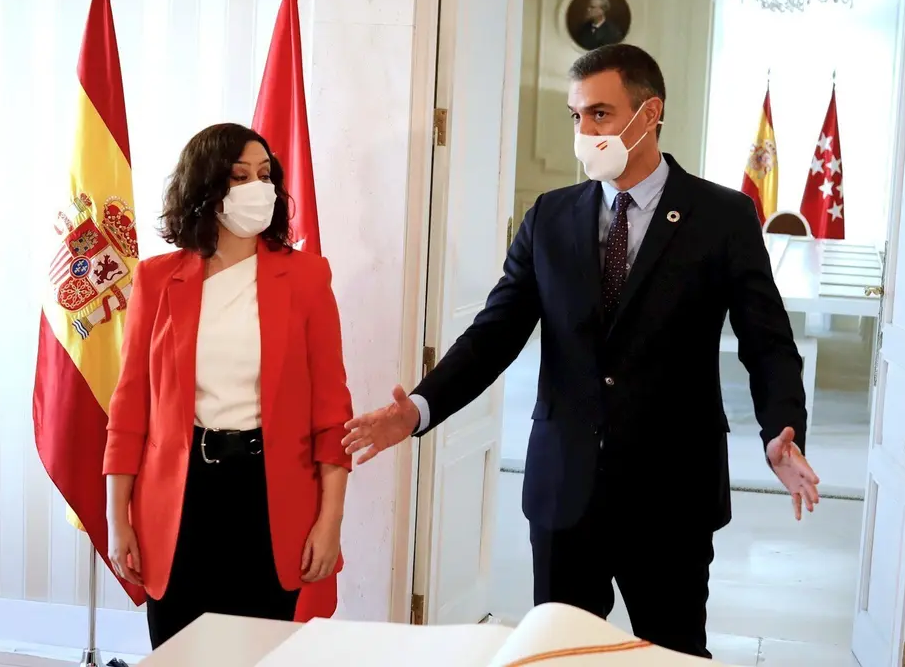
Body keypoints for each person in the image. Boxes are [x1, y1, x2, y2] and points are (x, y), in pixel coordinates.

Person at [342, 44, 820, 658]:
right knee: (559, 655)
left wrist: (781, 427)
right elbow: (495, 332)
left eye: (600, 113)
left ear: (650, 114)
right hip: (565, 489)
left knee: (672, 654)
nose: (585, 131)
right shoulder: (550, 217)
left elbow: (767, 341)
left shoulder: (723, 216)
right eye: (577, 116)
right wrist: (419, 408)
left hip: (671, 493)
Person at [104, 123, 353, 649]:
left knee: (256, 653)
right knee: (181, 653)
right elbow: (129, 410)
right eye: (239, 177)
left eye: (265, 175)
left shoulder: (307, 278)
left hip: (269, 495)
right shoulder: (156, 280)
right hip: (180, 497)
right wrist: (116, 515)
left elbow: (332, 413)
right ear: (206, 187)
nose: (256, 188)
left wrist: (330, 520)